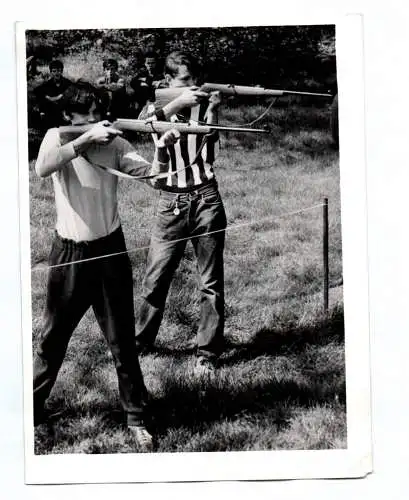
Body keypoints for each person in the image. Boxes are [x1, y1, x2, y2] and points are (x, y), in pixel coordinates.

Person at [32, 80, 180, 451]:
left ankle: (135, 417)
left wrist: (161, 150)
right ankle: (29, 411)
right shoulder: (56, 136)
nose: (97, 122)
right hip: (69, 253)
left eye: (100, 114)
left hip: (110, 252)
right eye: (87, 116)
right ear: (70, 117)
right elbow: (42, 168)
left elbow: (155, 179)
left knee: (122, 343)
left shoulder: (115, 143)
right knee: (52, 341)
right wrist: (83, 140)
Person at [135, 51, 227, 374]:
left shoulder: (202, 105)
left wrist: (212, 110)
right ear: (169, 82)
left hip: (205, 198)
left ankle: (208, 352)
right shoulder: (159, 107)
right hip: (170, 202)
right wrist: (179, 102)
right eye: (185, 81)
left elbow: (210, 150)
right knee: (155, 278)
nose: (193, 87)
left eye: (194, 80)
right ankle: (140, 342)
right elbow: (145, 122)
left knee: (210, 282)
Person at [34, 60, 72, 129]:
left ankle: (65, 117)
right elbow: (37, 91)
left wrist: (61, 96)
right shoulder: (48, 84)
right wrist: (48, 98)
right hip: (52, 109)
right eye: (54, 71)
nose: (57, 73)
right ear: (51, 72)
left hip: (64, 108)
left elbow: (72, 91)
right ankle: (44, 115)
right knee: (42, 96)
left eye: (59, 71)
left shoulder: (67, 82)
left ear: (62, 71)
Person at [129, 51, 167, 118]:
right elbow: (133, 83)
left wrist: (146, 82)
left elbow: (163, 85)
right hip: (141, 103)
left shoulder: (161, 75)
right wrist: (147, 84)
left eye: (152, 63)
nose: (150, 65)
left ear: (156, 63)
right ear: (145, 63)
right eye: (148, 63)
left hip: (156, 104)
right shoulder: (141, 74)